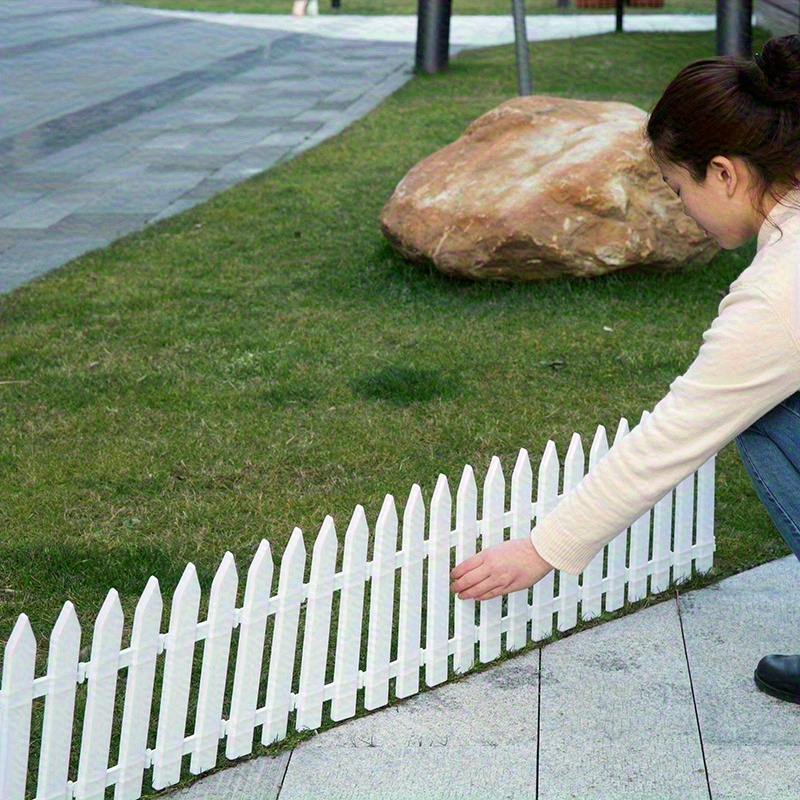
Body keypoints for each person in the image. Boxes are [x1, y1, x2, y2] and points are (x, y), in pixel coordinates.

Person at [450, 34, 800, 705]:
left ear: (724, 172)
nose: (681, 209)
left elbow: (673, 437)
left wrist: (541, 549)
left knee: (764, 420)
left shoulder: (780, 292)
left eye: (677, 187)